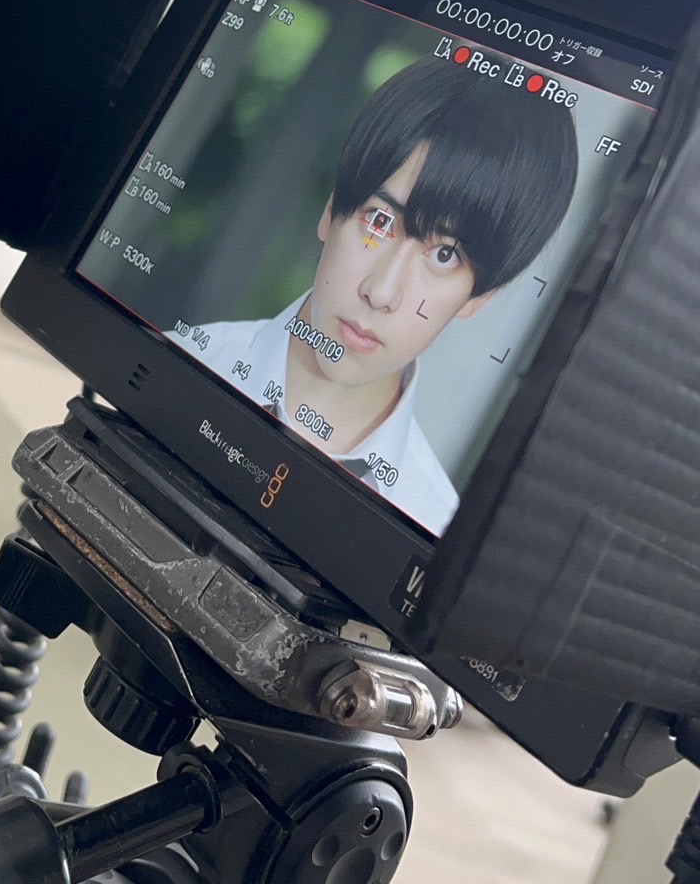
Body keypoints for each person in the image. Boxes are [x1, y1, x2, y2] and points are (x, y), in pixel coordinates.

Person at [170, 55, 579, 535]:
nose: (381, 291)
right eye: (379, 221)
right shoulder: (179, 360)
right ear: (331, 211)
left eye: (445, 254)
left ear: (480, 297)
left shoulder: (432, 526)